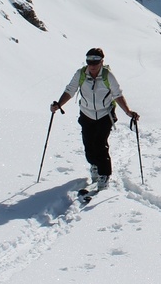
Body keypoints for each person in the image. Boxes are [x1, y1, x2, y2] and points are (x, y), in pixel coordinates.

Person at [51, 47, 139, 190]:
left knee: (100, 143)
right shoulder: (81, 74)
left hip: (105, 114)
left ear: (101, 62)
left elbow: (117, 94)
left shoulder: (107, 76)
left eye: (95, 61)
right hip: (86, 114)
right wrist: (59, 104)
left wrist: (128, 111)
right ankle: (94, 165)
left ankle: (104, 174)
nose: (92, 65)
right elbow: (70, 90)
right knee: (88, 143)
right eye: (89, 61)